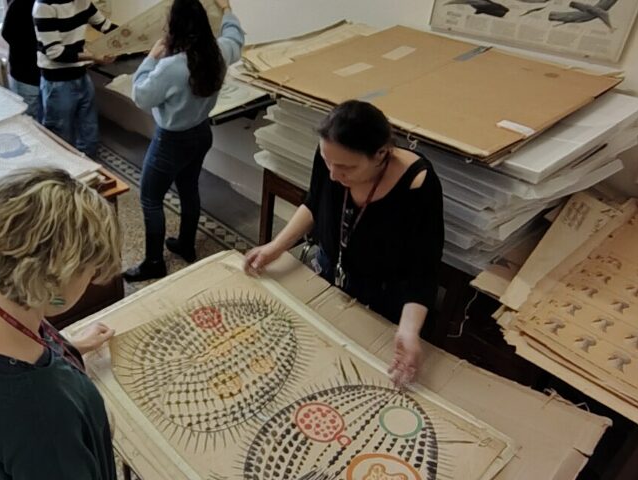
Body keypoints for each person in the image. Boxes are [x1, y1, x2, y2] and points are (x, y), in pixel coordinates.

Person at [0, 167, 122, 479]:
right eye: (90, 271)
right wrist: (89, 428)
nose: (92, 280)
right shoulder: (47, 413)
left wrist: (70, 347)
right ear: (55, 281)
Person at [244, 101, 444, 388]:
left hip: (385, 295)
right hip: (329, 272)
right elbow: (314, 203)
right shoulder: (331, 154)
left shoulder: (418, 183)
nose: (334, 175)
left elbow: (424, 267)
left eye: (347, 167)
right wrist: (275, 247)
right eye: (329, 162)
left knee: (357, 378)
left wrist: (409, 330)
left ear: (381, 154)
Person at [122, 0, 244, 281]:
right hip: (201, 133)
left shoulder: (171, 66)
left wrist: (151, 57)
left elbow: (141, 96)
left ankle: (154, 262)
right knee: (188, 189)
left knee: (150, 198)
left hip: (171, 141)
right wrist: (227, 10)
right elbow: (235, 37)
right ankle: (186, 244)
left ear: (173, 28)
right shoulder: (219, 52)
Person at [33, 0, 118, 157]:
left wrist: (136, 41)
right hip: (57, 82)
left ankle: (89, 166)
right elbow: (55, 53)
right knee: (60, 137)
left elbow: (106, 26)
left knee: (89, 134)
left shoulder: (82, 2)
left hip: (81, 75)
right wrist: (93, 57)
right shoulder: (44, 6)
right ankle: (63, 170)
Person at [0, 0, 42, 120]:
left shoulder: (20, 4)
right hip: (26, 73)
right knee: (29, 119)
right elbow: (7, 34)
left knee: (35, 118)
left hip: (32, 71)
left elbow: (6, 34)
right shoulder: (20, 5)